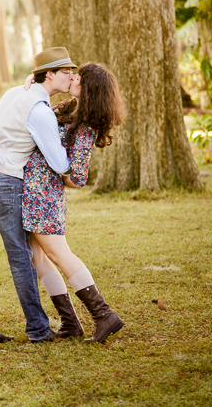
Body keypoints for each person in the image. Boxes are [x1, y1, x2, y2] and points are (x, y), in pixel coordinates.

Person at [0, 47, 77, 344]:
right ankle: (39, 330)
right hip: (4, 181)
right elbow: (59, 164)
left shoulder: (14, 92)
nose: (72, 77)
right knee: (21, 257)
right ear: (50, 74)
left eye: (73, 72)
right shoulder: (41, 112)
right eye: (66, 72)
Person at [22, 62, 126, 343]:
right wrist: (35, 79)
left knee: (58, 254)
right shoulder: (70, 109)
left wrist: (53, 172)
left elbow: (78, 176)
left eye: (78, 77)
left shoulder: (86, 126)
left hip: (44, 194)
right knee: (38, 257)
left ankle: (104, 315)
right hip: (34, 191)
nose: (73, 78)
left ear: (89, 88)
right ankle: (70, 322)